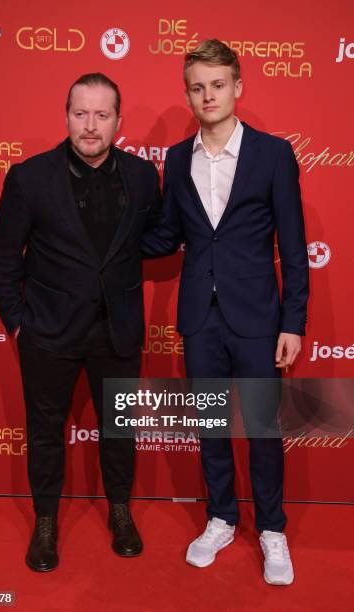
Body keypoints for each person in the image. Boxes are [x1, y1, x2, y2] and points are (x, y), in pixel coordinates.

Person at [142, 40, 309, 585]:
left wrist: (293, 321)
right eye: (197, 86)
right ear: (187, 92)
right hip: (199, 316)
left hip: (259, 314)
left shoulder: (273, 154)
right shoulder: (176, 158)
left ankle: (272, 529)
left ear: (237, 87)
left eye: (218, 84)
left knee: (262, 427)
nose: (208, 95)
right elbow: (169, 233)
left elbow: (294, 241)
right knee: (211, 426)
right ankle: (219, 516)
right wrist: (111, 237)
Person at [0, 72, 161, 571]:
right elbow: (4, 259)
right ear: (66, 116)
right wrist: (19, 324)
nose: (90, 126)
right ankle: (45, 522)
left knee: (120, 429)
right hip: (47, 332)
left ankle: (121, 512)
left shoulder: (142, 176)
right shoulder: (30, 177)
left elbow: (154, 237)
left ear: (117, 122)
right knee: (45, 432)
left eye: (101, 115)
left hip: (118, 329)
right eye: (80, 113)